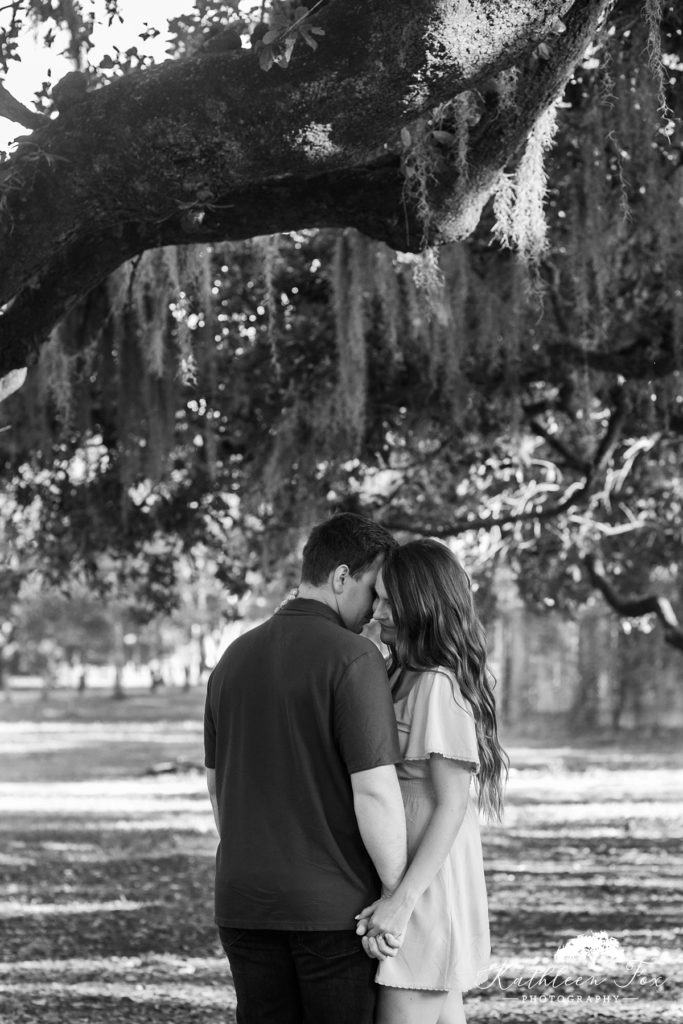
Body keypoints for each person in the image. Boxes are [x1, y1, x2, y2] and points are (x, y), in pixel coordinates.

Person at [204, 512, 408, 1024]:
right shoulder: (356, 658)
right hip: (330, 912)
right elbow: (376, 793)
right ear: (341, 577)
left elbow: (216, 790)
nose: (376, 610)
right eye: (372, 590)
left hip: (243, 903)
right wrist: (398, 894)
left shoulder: (232, 658)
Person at [356, 539, 508, 1024]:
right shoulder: (399, 671)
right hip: (409, 874)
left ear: (419, 604)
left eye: (385, 599)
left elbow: (452, 804)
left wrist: (400, 902)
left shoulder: (437, 684)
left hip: (426, 884)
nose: (375, 609)